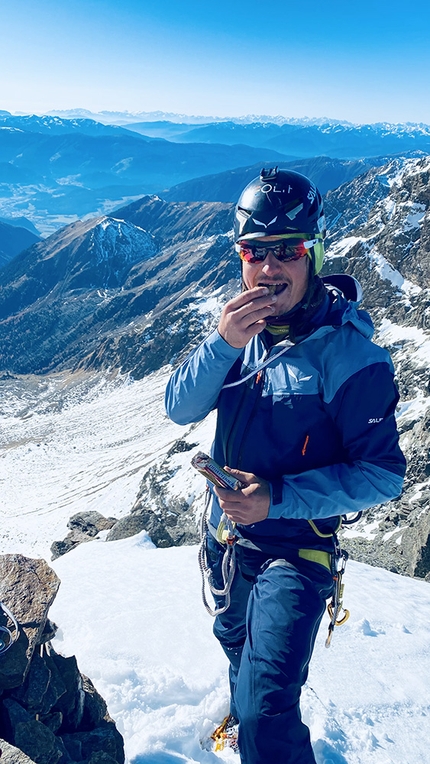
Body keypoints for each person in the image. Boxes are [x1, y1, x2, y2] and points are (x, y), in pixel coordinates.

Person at [165, 167, 406, 764]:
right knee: (236, 647)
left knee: (266, 712)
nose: (269, 267)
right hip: (228, 538)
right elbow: (179, 407)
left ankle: (257, 737)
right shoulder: (238, 332)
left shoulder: (352, 358)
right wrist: (221, 343)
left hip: (296, 550)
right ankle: (245, 729)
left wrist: (276, 499)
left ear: (314, 254)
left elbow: (382, 473)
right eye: (255, 251)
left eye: (288, 250)